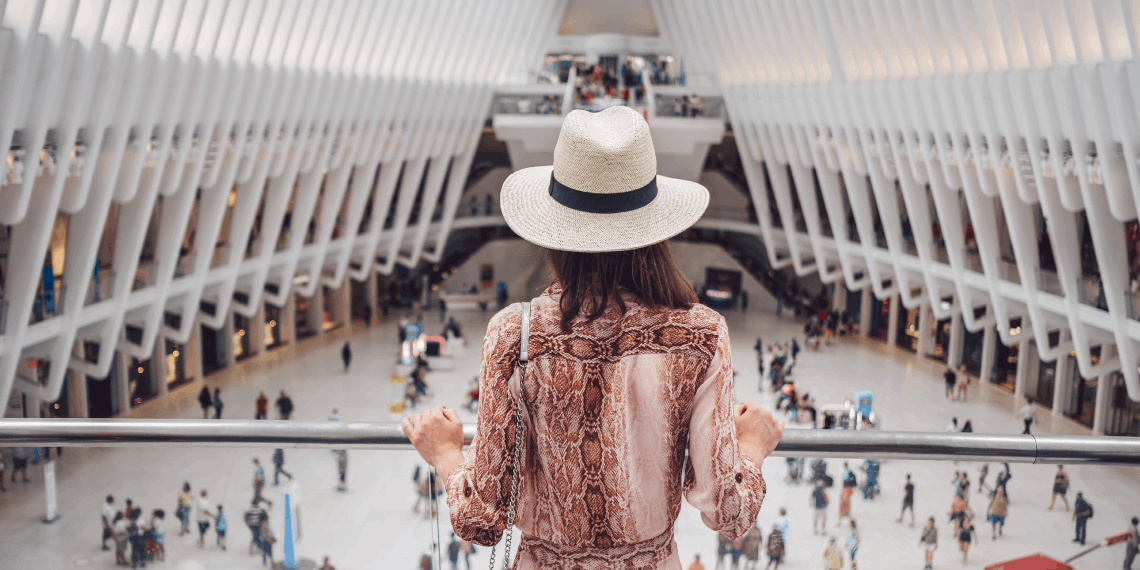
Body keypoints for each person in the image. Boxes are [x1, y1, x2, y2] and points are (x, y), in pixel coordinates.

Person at [401, 106, 783, 570]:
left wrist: (444, 452)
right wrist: (752, 447)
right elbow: (729, 514)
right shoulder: (700, 336)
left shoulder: (515, 334)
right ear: (654, 228)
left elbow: (480, 518)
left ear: (555, 232)